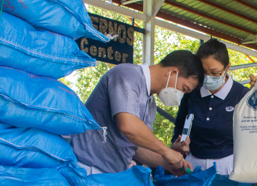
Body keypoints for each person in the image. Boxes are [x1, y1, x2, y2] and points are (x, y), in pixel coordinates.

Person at [71, 50, 201, 175]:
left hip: (112, 175)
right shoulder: (128, 75)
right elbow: (128, 126)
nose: (180, 96)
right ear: (173, 73)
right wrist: (166, 151)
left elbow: (137, 148)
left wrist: (169, 164)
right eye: (184, 89)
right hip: (87, 169)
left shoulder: (150, 104)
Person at [170, 39, 247, 175]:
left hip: (228, 166)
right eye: (203, 72)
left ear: (227, 68)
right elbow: (180, 126)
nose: (208, 77)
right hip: (193, 165)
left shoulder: (241, 94)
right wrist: (179, 145)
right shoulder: (191, 91)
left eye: (214, 72)